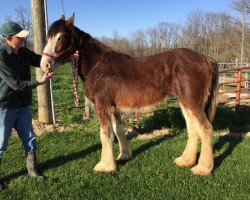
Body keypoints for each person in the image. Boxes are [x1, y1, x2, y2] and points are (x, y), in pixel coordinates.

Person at [0, 21, 53, 190]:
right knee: (0, 143)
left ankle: (32, 170)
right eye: (19, 37)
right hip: (5, 106)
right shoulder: (1, 55)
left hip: (23, 105)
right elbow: (14, 84)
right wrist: (38, 82)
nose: (23, 39)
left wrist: (47, 62)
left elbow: (38, 59)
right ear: (8, 38)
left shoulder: (23, 51)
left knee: (29, 138)